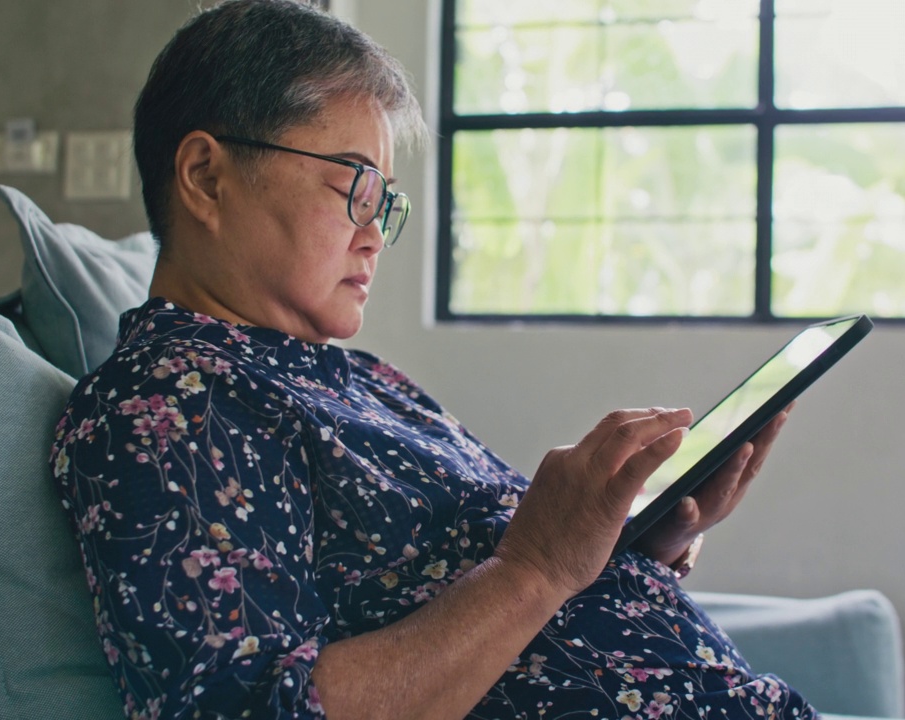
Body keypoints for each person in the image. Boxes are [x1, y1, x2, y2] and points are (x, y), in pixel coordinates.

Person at [49, 1, 814, 718]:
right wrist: (535, 566)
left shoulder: (359, 380)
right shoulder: (166, 405)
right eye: (354, 186)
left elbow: (476, 583)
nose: (375, 234)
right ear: (206, 176)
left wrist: (634, 540)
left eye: (386, 204)